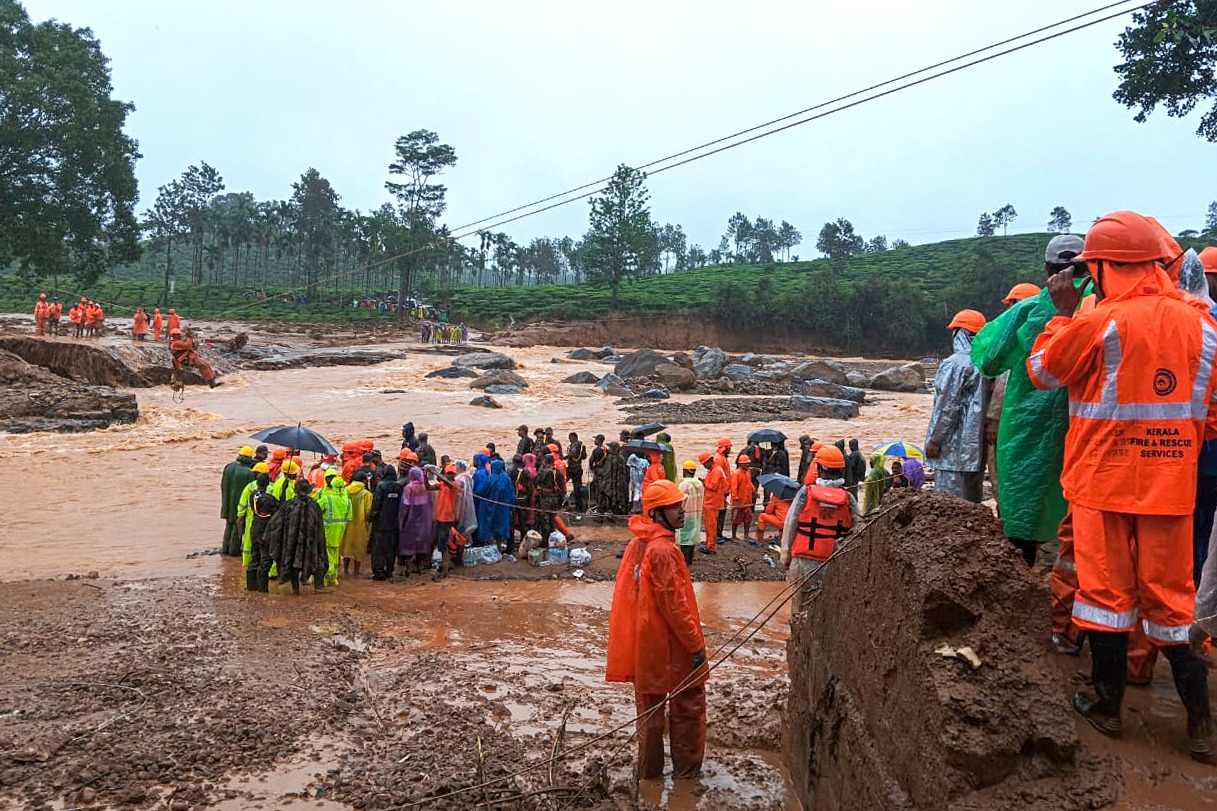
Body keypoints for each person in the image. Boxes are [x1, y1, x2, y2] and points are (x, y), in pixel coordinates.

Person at [1026, 210, 1216, 763]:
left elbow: (1043, 370)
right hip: (1171, 483)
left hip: (1101, 481)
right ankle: (1201, 727)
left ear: (1109, 266)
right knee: (1174, 602)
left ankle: (1107, 707)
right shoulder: (1202, 324)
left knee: (1105, 597)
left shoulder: (1097, 321)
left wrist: (1062, 315)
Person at [973, 236, 1082, 569]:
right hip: (1086, 434)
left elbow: (990, 360)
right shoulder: (1104, 307)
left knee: (1022, 511)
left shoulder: (1029, 311)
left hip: (1025, 431)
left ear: (1047, 269)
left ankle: (1025, 588)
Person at [606, 479, 709, 781]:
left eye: (680, 505)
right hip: (671, 644)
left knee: (649, 715)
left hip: (645, 643)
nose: (682, 511)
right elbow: (675, 606)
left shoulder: (638, 544)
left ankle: (648, 776)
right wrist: (696, 646)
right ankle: (687, 778)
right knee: (689, 707)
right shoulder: (664, 550)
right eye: (675, 507)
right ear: (657, 513)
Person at [925, 310, 988, 501]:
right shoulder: (986, 362)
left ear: (959, 333)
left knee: (950, 508)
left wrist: (935, 440)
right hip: (976, 448)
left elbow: (946, 406)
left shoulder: (955, 364)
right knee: (971, 503)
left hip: (952, 450)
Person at [780, 445, 859, 593]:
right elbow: (859, 529)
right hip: (834, 563)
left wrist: (785, 558)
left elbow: (791, 524)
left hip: (803, 561)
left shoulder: (806, 493)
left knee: (800, 608)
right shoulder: (849, 499)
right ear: (841, 470)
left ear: (819, 468)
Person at [266, 479, 327, 595]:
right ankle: (318, 588)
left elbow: (276, 523)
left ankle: (295, 590)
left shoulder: (288, 505)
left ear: (295, 490)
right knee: (317, 560)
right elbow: (320, 526)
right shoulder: (315, 505)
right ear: (309, 490)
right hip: (311, 542)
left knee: (293, 563)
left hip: (292, 543)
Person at [397, 467, 436, 576]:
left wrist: (401, 519)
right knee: (422, 542)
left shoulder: (409, 488)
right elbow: (431, 503)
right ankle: (420, 567)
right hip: (425, 520)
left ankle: (408, 568)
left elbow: (406, 504)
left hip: (412, 519)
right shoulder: (427, 487)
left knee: (408, 542)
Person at [367, 464, 402, 581]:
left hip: (380, 524)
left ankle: (378, 572)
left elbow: (376, 505)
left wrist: (370, 518)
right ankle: (389, 571)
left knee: (378, 549)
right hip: (394, 523)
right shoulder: (399, 487)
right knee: (391, 548)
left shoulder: (381, 487)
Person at [317, 471, 351, 587]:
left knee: (327, 554)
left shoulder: (327, 499)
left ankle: (328, 578)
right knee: (335, 554)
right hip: (340, 530)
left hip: (327, 529)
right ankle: (334, 577)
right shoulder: (347, 500)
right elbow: (349, 516)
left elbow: (317, 508)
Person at [220, 446, 256, 557]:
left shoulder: (228, 467)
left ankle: (225, 548)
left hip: (227, 502)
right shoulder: (249, 472)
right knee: (238, 527)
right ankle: (234, 551)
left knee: (228, 525)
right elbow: (251, 491)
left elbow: (222, 485)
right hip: (239, 505)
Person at [246, 475, 278, 592]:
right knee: (265, 559)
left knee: (254, 556)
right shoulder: (269, 498)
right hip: (264, 531)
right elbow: (277, 509)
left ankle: (251, 586)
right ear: (268, 484)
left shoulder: (253, 495)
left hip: (254, 528)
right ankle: (262, 588)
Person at [342, 471, 373, 579]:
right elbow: (369, 510)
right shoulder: (366, 494)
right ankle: (356, 571)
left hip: (346, 524)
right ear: (364, 481)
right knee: (359, 549)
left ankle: (345, 570)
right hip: (360, 525)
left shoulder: (345, 490)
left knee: (346, 547)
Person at [431, 463, 459, 578]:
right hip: (440, 518)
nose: (451, 476)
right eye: (449, 474)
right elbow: (429, 487)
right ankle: (445, 566)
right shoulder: (441, 484)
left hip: (447, 519)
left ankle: (445, 571)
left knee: (444, 545)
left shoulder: (454, 485)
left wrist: (435, 472)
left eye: (452, 474)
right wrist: (424, 475)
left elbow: (449, 483)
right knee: (440, 543)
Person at [676, 461, 704, 565]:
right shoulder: (699, 484)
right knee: (692, 537)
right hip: (696, 513)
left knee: (684, 538)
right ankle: (690, 559)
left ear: (685, 471)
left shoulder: (684, 484)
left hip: (686, 514)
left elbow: (679, 500)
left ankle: (685, 561)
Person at [700, 452, 728, 555]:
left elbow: (713, 486)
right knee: (709, 526)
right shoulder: (714, 470)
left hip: (713, 502)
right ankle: (709, 544)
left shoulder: (716, 471)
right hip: (711, 501)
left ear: (709, 461)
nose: (704, 466)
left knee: (711, 526)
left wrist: (704, 483)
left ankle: (711, 547)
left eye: (704, 464)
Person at [598, 442, 630, 520]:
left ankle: (608, 511)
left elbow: (606, 472)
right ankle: (619, 511)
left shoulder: (610, 458)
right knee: (619, 496)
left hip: (610, 483)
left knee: (607, 495)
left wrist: (599, 472)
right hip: (620, 483)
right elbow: (624, 471)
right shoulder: (621, 458)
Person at [729, 454, 756, 541]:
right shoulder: (736, 474)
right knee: (735, 519)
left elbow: (749, 483)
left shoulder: (747, 472)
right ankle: (733, 535)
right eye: (745, 463)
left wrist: (754, 491)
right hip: (738, 502)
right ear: (740, 464)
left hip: (747, 501)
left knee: (748, 519)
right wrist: (736, 499)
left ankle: (746, 535)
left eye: (748, 463)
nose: (747, 465)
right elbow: (733, 488)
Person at [513, 453, 537, 551]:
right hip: (525, 500)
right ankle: (524, 540)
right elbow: (531, 487)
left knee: (514, 521)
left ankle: (512, 542)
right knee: (524, 521)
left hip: (515, 500)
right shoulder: (529, 472)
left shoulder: (512, 472)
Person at [566, 432, 588, 513]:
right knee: (578, 487)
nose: (569, 439)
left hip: (573, 468)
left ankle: (578, 507)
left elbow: (574, 454)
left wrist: (567, 456)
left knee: (575, 487)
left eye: (570, 437)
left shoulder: (574, 445)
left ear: (573, 437)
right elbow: (584, 457)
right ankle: (580, 506)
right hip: (578, 467)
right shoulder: (581, 445)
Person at [588, 434, 607, 511]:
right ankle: (603, 506)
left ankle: (599, 507)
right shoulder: (605, 449)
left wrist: (591, 469)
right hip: (604, 470)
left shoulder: (596, 450)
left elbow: (591, 460)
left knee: (598, 490)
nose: (594, 441)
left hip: (598, 470)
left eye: (595, 439)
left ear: (599, 441)